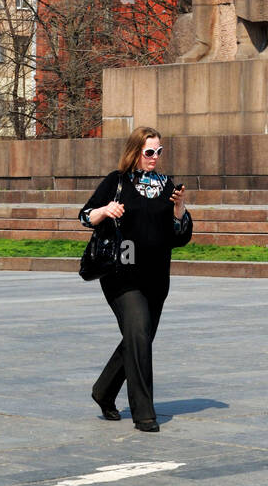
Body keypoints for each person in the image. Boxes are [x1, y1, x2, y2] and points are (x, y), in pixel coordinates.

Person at [78, 125, 192, 432]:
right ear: (136, 152)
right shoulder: (117, 181)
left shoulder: (168, 186)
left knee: (138, 339)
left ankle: (103, 391)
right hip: (121, 275)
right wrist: (105, 210)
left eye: (159, 152)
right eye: (149, 152)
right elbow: (85, 215)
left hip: (156, 278)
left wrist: (179, 210)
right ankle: (144, 414)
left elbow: (180, 238)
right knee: (139, 336)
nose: (155, 157)